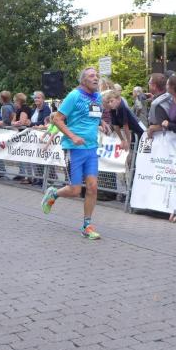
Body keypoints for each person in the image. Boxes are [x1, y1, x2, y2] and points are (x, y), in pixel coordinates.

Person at [41, 67, 109, 240]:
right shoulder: (74, 96)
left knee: (92, 187)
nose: (96, 78)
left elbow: (92, 114)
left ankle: (87, 225)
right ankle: (54, 194)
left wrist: (101, 123)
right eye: (91, 76)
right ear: (83, 80)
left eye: (96, 76)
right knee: (75, 190)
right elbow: (57, 119)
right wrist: (72, 136)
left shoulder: (97, 97)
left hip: (91, 148)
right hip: (74, 148)